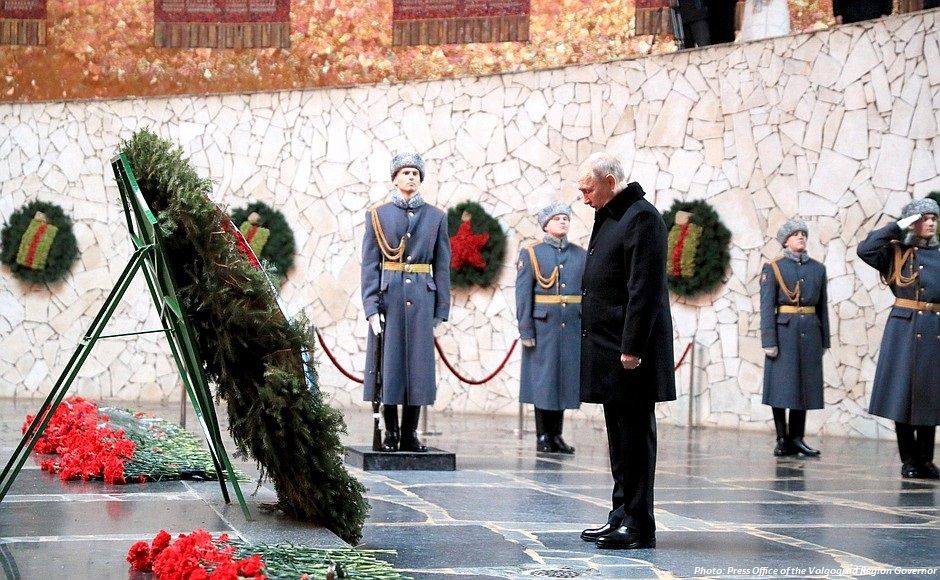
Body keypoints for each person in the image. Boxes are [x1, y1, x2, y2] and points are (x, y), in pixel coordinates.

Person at [576, 152, 676, 550]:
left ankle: (639, 525)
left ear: (610, 182)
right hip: (609, 347)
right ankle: (620, 515)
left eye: (588, 189)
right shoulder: (612, 216)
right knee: (619, 439)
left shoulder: (642, 217)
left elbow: (644, 288)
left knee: (634, 439)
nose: (584, 197)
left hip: (630, 352)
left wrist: (632, 346)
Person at [361, 152, 451, 453]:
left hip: (422, 298)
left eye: (415, 173)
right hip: (389, 298)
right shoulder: (378, 215)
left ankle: (410, 433)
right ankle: (391, 432)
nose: (411, 177)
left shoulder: (436, 217)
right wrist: (371, 308)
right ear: (394, 179)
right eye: (405, 173)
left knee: (418, 368)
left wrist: (441, 309)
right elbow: (370, 265)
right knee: (389, 366)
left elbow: (442, 266)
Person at [857, 198, 939, 479]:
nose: (930, 222)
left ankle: (926, 460)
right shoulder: (895, 253)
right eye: (924, 218)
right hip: (902, 332)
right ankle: (909, 460)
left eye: (933, 218)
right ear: (912, 223)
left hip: (934, 332)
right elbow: (865, 249)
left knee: (929, 396)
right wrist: (898, 226)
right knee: (900, 396)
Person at [515, 202, 586, 454]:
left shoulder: (580, 254)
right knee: (544, 382)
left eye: (565, 218)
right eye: (557, 219)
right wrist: (526, 330)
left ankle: (557, 435)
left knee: (564, 381)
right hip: (543, 328)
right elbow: (523, 294)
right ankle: (542, 435)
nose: (563, 222)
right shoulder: (532, 253)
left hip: (571, 327)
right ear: (546, 225)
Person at [760, 219, 829, 457]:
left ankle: (797, 438)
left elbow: (822, 307)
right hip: (784, 333)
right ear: (785, 241)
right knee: (780, 387)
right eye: (795, 234)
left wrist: (824, 340)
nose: (801, 237)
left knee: (804, 387)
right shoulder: (774, 268)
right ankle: (782, 438)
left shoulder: (818, 269)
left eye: (803, 234)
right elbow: (767, 306)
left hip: (810, 333)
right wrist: (768, 340)